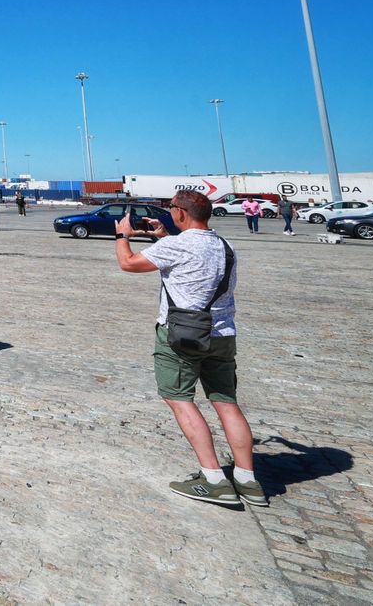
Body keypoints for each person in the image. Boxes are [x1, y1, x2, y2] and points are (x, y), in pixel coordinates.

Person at [112, 189, 263, 508]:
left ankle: (213, 478)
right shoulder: (225, 245)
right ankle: (247, 480)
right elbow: (193, 263)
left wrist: (123, 235)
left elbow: (128, 264)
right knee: (226, 402)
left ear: (180, 213)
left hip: (181, 335)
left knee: (179, 399)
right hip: (222, 334)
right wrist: (165, 236)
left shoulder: (175, 246)